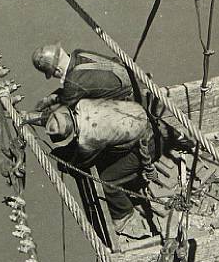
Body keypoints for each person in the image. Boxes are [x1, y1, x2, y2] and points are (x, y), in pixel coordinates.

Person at [42, 97, 160, 232]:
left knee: (107, 180)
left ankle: (124, 213)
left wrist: (67, 162)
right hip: (140, 115)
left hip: (147, 145)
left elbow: (84, 162)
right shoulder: (82, 105)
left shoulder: (87, 140)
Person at [32, 43, 133, 111]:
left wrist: (35, 113)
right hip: (131, 78)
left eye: (53, 74)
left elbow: (62, 111)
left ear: (58, 70)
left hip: (129, 99)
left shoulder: (72, 83)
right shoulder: (79, 53)